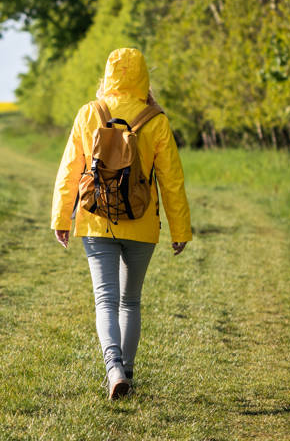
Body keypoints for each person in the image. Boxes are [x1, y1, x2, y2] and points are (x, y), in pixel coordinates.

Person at [51, 47, 192, 400]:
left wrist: (61, 217)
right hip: (142, 223)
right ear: (144, 77)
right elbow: (171, 180)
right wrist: (180, 230)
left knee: (105, 300)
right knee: (131, 301)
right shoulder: (155, 119)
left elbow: (70, 170)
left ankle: (113, 368)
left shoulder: (89, 114)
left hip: (96, 220)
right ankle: (125, 371)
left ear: (108, 75)